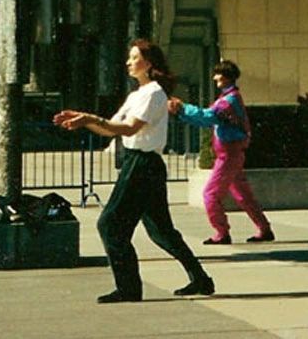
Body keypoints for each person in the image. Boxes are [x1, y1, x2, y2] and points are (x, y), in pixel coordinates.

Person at [53, 39, 214, 302]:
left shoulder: (154, 93)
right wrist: (83, 119)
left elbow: (129, 129)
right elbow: (111, 128)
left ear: (149, 63)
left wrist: (89, 118)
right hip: (138, 163)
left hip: (142, 165)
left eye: (134, 57)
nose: (128, 62)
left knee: (110, 224)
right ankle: (201, 279)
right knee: (161, 231)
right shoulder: (137, 95)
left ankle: (128, 288)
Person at [168, 59, 274, 245]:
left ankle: (221, 232)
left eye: (218, 74)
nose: (214, 77)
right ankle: (264, 229)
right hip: (232, 154)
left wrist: (183, 109)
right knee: (243, 195)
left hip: (227, 156)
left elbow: (207, 117)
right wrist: (183, 112)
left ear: (225, 77)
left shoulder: (227, 101)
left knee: (211, 194)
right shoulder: (230, 98)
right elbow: (207, 117)